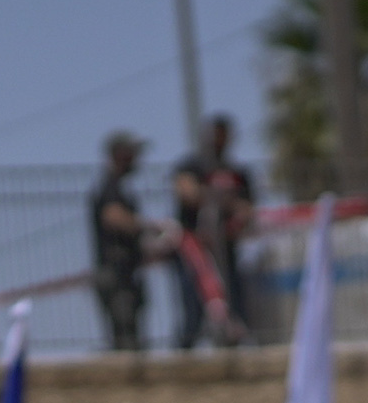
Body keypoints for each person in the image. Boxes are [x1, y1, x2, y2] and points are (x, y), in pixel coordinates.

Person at [169, 111, 253, 349]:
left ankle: (233, 347)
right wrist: (221, 200)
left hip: (226, 249)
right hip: (194, 250)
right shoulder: (191, 165)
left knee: (233, 303)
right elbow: (187, 192)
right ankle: (186, 351)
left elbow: (247, 209)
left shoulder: (237, 171)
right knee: (192, 306)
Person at [89, 129, 155, 355]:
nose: (136, 159)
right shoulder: (109, 187)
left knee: (131, 333)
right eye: (131, 153)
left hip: (126, 271)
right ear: (119, 154)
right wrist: (148, 228)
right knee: (124, 334)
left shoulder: (119, 187)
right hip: (115, 273)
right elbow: (113, 217)